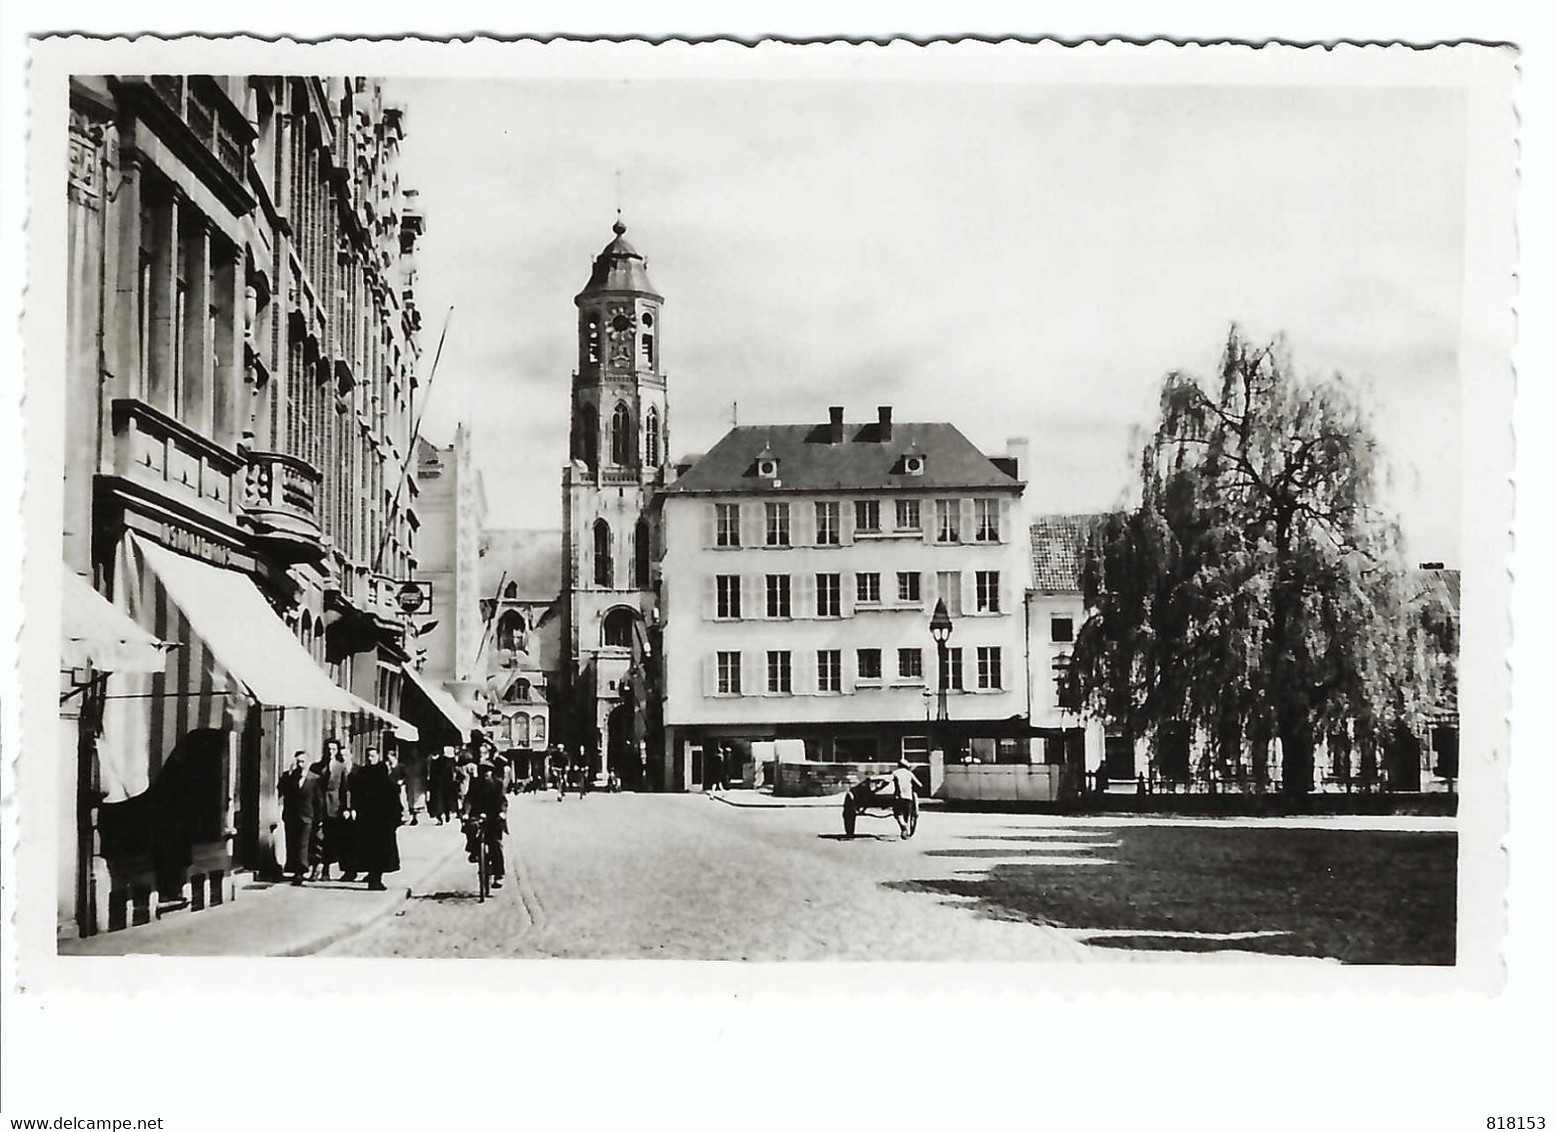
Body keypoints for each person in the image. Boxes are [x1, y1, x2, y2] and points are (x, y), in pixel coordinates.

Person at [350, 747, 402, 891]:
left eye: (372, 755)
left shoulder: (379, 774)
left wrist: (395, 817)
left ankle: (375, 878)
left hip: (380, 820)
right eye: (368, 756)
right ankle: (374, 878)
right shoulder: (363, 774)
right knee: (373, 850)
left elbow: (392, 797)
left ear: (377, 756)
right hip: (370, 820)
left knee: (377, 851)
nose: (370, 758)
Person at [313, 739, 355, 881]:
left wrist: (346, 807)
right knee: (316, 837)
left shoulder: (340, 767)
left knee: (330, 839)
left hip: (334, 807)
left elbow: (345, 789)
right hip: (318, 806)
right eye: (328, 749)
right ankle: (315, 866)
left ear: (336, 751)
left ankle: (326, 869)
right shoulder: (317, 767)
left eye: (333, 749)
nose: (330, 752)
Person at [463, 761, 508, 889]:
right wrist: (466, 813)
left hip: (494, 816)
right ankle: (474, 851)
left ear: (492, 772)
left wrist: (502, 813)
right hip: (477, 813)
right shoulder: (476, 784)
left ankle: (498, 875)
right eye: (483, 771)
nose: (485, 774)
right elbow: (469, 799)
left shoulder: (497, 784)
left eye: (488, 771)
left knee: (496, 844)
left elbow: (503, 801)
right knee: (470, 827)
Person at [277, 751, 319, 885]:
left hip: (307, 816)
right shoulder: (291, 777)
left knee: (303, 844)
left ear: (308, 763)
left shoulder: (314, 779)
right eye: (298, 762)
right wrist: (288, 774)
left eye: (303, 761)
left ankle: (300, 872)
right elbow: (281, 790)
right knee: (293, 844)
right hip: (292, 816)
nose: (300, 764)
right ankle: (295, 869)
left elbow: (319, 800)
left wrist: (319, 818)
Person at [889, 757, 919, 840]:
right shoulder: (910, 774)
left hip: (898, 797)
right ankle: (905, 829)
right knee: (906, 814)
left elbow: (888, 780)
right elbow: (919, 784)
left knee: (898, 814)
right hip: (908, 797)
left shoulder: (895, 773)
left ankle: (903, 826)